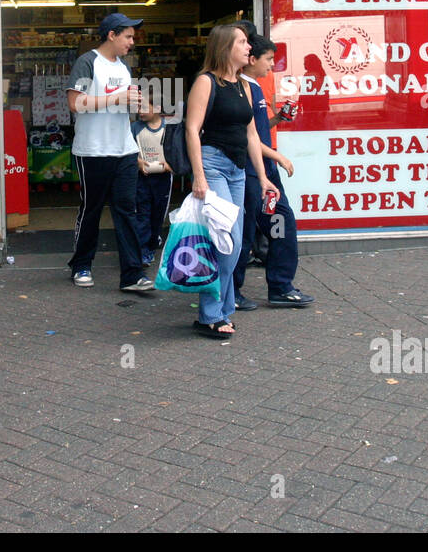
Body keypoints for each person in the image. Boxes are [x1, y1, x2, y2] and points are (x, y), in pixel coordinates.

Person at [186, 24, 279, 338]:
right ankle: (210, 314)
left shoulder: (246, 86)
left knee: (235, 244)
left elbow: (251, 134)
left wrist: (263, 177)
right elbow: (192, 130)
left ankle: (222, 311)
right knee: (224, 244)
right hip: (213, 166)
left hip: (238, 171)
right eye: (242, 42)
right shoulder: (206, 82)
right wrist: (198, 176)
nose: (248, 48)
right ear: (226, 47)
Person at [65, 13, 153, 293]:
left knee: (127, 210)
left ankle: (132, 274)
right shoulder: (87, 62)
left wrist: (141, 105)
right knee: (91, 210)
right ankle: (81, 265)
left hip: (124, 149)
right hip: (92, 151)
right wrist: (117, 98)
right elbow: (75, 102)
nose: (132, 41)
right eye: (128, 36)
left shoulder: (125, 67)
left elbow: (123, 105)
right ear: (111, 35)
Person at [233, 34, 314, 309]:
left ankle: (278, 286)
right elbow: (245, 137)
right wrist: (276, 155)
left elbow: (256, 130)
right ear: (252, 59)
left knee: (278, 224)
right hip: (253, 173)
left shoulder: (253, 87)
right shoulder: (241, 88)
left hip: (264, 172)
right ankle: (238, 291)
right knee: (246, 233)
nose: (271, 65)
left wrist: (277, 119)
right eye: (268, 59)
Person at [131, 95, 173, 271]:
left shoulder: (170, 129)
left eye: (144, 108)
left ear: (156, 108)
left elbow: (178, 152)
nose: (140, 112)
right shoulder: (135, 128)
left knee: (158, 214)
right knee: (142, 214)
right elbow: (129, 150)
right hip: (142, 178)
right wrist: (139, 162)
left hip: (163, 179)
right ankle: (143, 251)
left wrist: (170, 165)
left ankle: (153, 240)